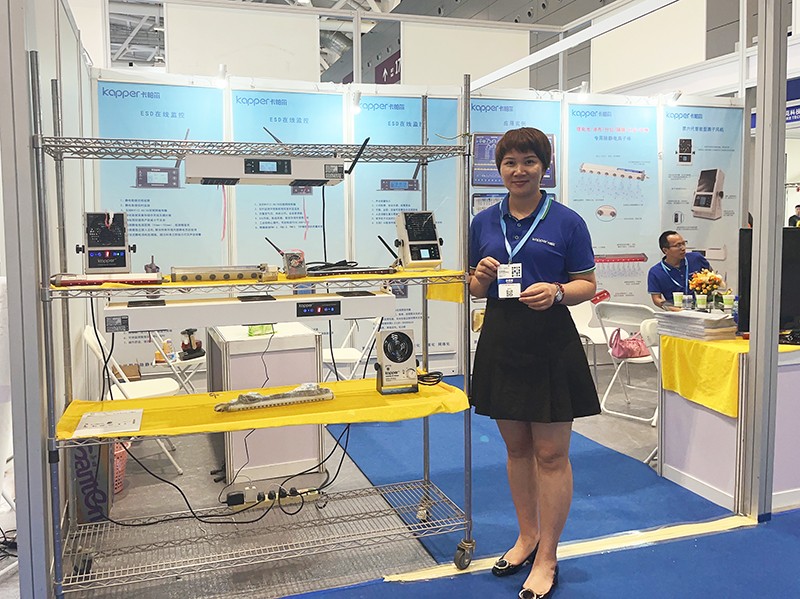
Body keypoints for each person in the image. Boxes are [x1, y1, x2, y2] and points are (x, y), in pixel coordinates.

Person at [469, 127, 599, 599]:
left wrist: (559, 292)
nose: (519, 170)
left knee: (551, 454)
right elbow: (473, 288)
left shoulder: (567, 222)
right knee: (517, 450)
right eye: (510, 162)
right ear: (499, 169)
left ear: (544, 167)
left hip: (550, 342)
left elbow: (587, 283)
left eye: (529, 161)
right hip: (502, 339)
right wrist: (481, 277)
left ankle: (548, 557)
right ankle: (527, 537)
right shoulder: (483, 221)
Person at [647, 230, 710, 310]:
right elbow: (656, 299)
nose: (683, 248)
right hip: (676, 312)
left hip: (701, 309)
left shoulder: (696, 258)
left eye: (684, 243)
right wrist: (674, 309)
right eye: (678, 245)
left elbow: (711, 278)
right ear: (665, 250)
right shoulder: (655, 272)